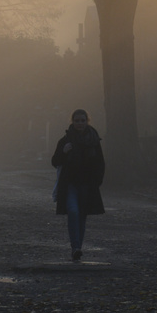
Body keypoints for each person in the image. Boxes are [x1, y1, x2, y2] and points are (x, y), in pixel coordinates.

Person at [51, 109, 105, 261]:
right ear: (72, 122)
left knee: (82, 217)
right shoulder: (65, 140)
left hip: (88, 185)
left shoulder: (94, 140)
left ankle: (77, 248)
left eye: (82, 120)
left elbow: (100, 162)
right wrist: (64, 152)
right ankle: (75, 247)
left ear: (87, 121)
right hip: (70, 184)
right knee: (73, 212)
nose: (80, 123)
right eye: (77, 121)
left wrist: (97, 182)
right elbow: (55, 161)